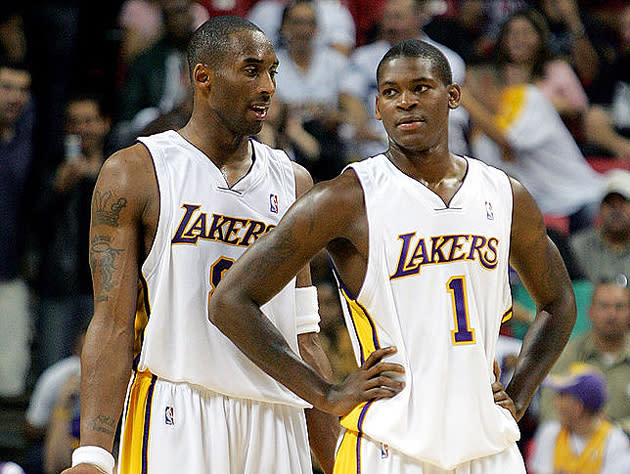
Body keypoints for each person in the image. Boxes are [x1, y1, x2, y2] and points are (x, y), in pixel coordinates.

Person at [209, 39, 577, 473]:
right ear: (378, 108)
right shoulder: (346, 198)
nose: (405, 102)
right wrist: (324, 393)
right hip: (389, 448)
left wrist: (520, 393)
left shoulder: (504, 193)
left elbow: (559, 302)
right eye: (390, 92)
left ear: (453, 96)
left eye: (421, 88)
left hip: (489, 447)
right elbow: (230, 301)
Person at [61, 16, 403, 474]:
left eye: (273, 72)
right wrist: (93, 455)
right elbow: (112, 325)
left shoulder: (293, 181)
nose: (267, 87)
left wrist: (340, 463)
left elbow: (303, 337)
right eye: (251, 70)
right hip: (179, 406)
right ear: (203, 76)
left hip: (278, 414)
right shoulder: (138, 170)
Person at [31, 93, 111, 377]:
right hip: (59, 284)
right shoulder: (52, 166)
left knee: (98, 371)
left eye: (89, 121)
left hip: (103, 286)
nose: (81, 129)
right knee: (52, 372)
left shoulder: (120, 169)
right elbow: (34, 226)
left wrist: (95, 176)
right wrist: (58, 189)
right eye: (74, 122)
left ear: (104, 124)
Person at [539, 280, 630, 435]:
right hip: (576, 442)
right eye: (604, 306)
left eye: (619, 307)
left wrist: (610, 434)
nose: (612, 314)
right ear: (591, 312)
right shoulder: (570, 352)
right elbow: (548, 408)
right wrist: (584, 431)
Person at [0, 57, 35, 398]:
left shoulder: (32, 141)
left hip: (11, 274)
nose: (15, 97)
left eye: (22, 90)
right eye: (7, 87)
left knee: (9, 382)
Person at [528, 363, 630, 474]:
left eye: (562, 395)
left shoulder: (614, 442)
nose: (555, 403)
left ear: (578, 407)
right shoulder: (550, 432)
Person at [569, 169, 630, 284]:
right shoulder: (578, 246)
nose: (616, 210)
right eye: (610, 203)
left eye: (623, 203)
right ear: (600, 208)